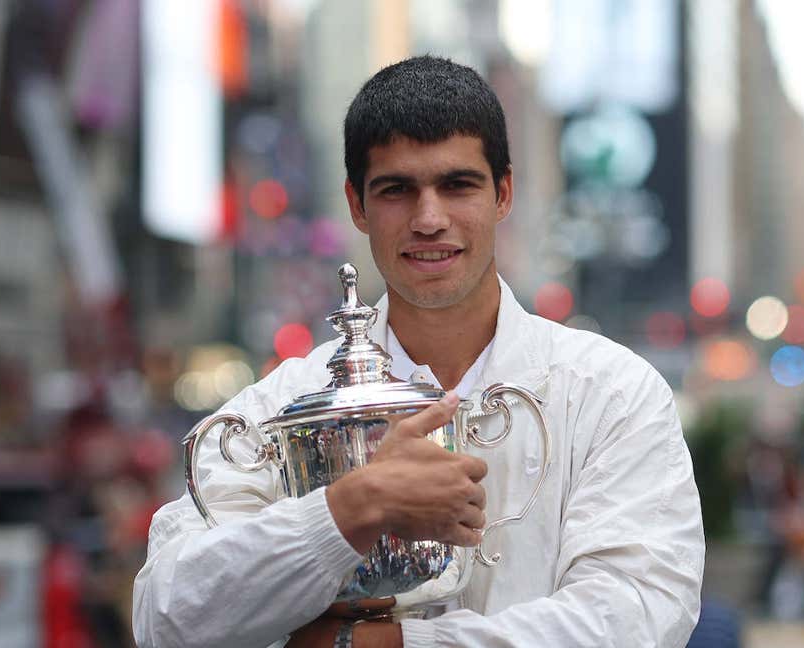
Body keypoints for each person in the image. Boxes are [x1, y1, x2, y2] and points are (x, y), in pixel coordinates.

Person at [131, 55, 704, 647]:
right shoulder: (284, 404)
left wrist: (385, 644)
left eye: (457, 185)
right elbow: (166, 619)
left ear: (503, 193)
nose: (430, 219)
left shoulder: (609, 393)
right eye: (397, 190)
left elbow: (636, 614)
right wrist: (345, 510)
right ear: (357, 205)